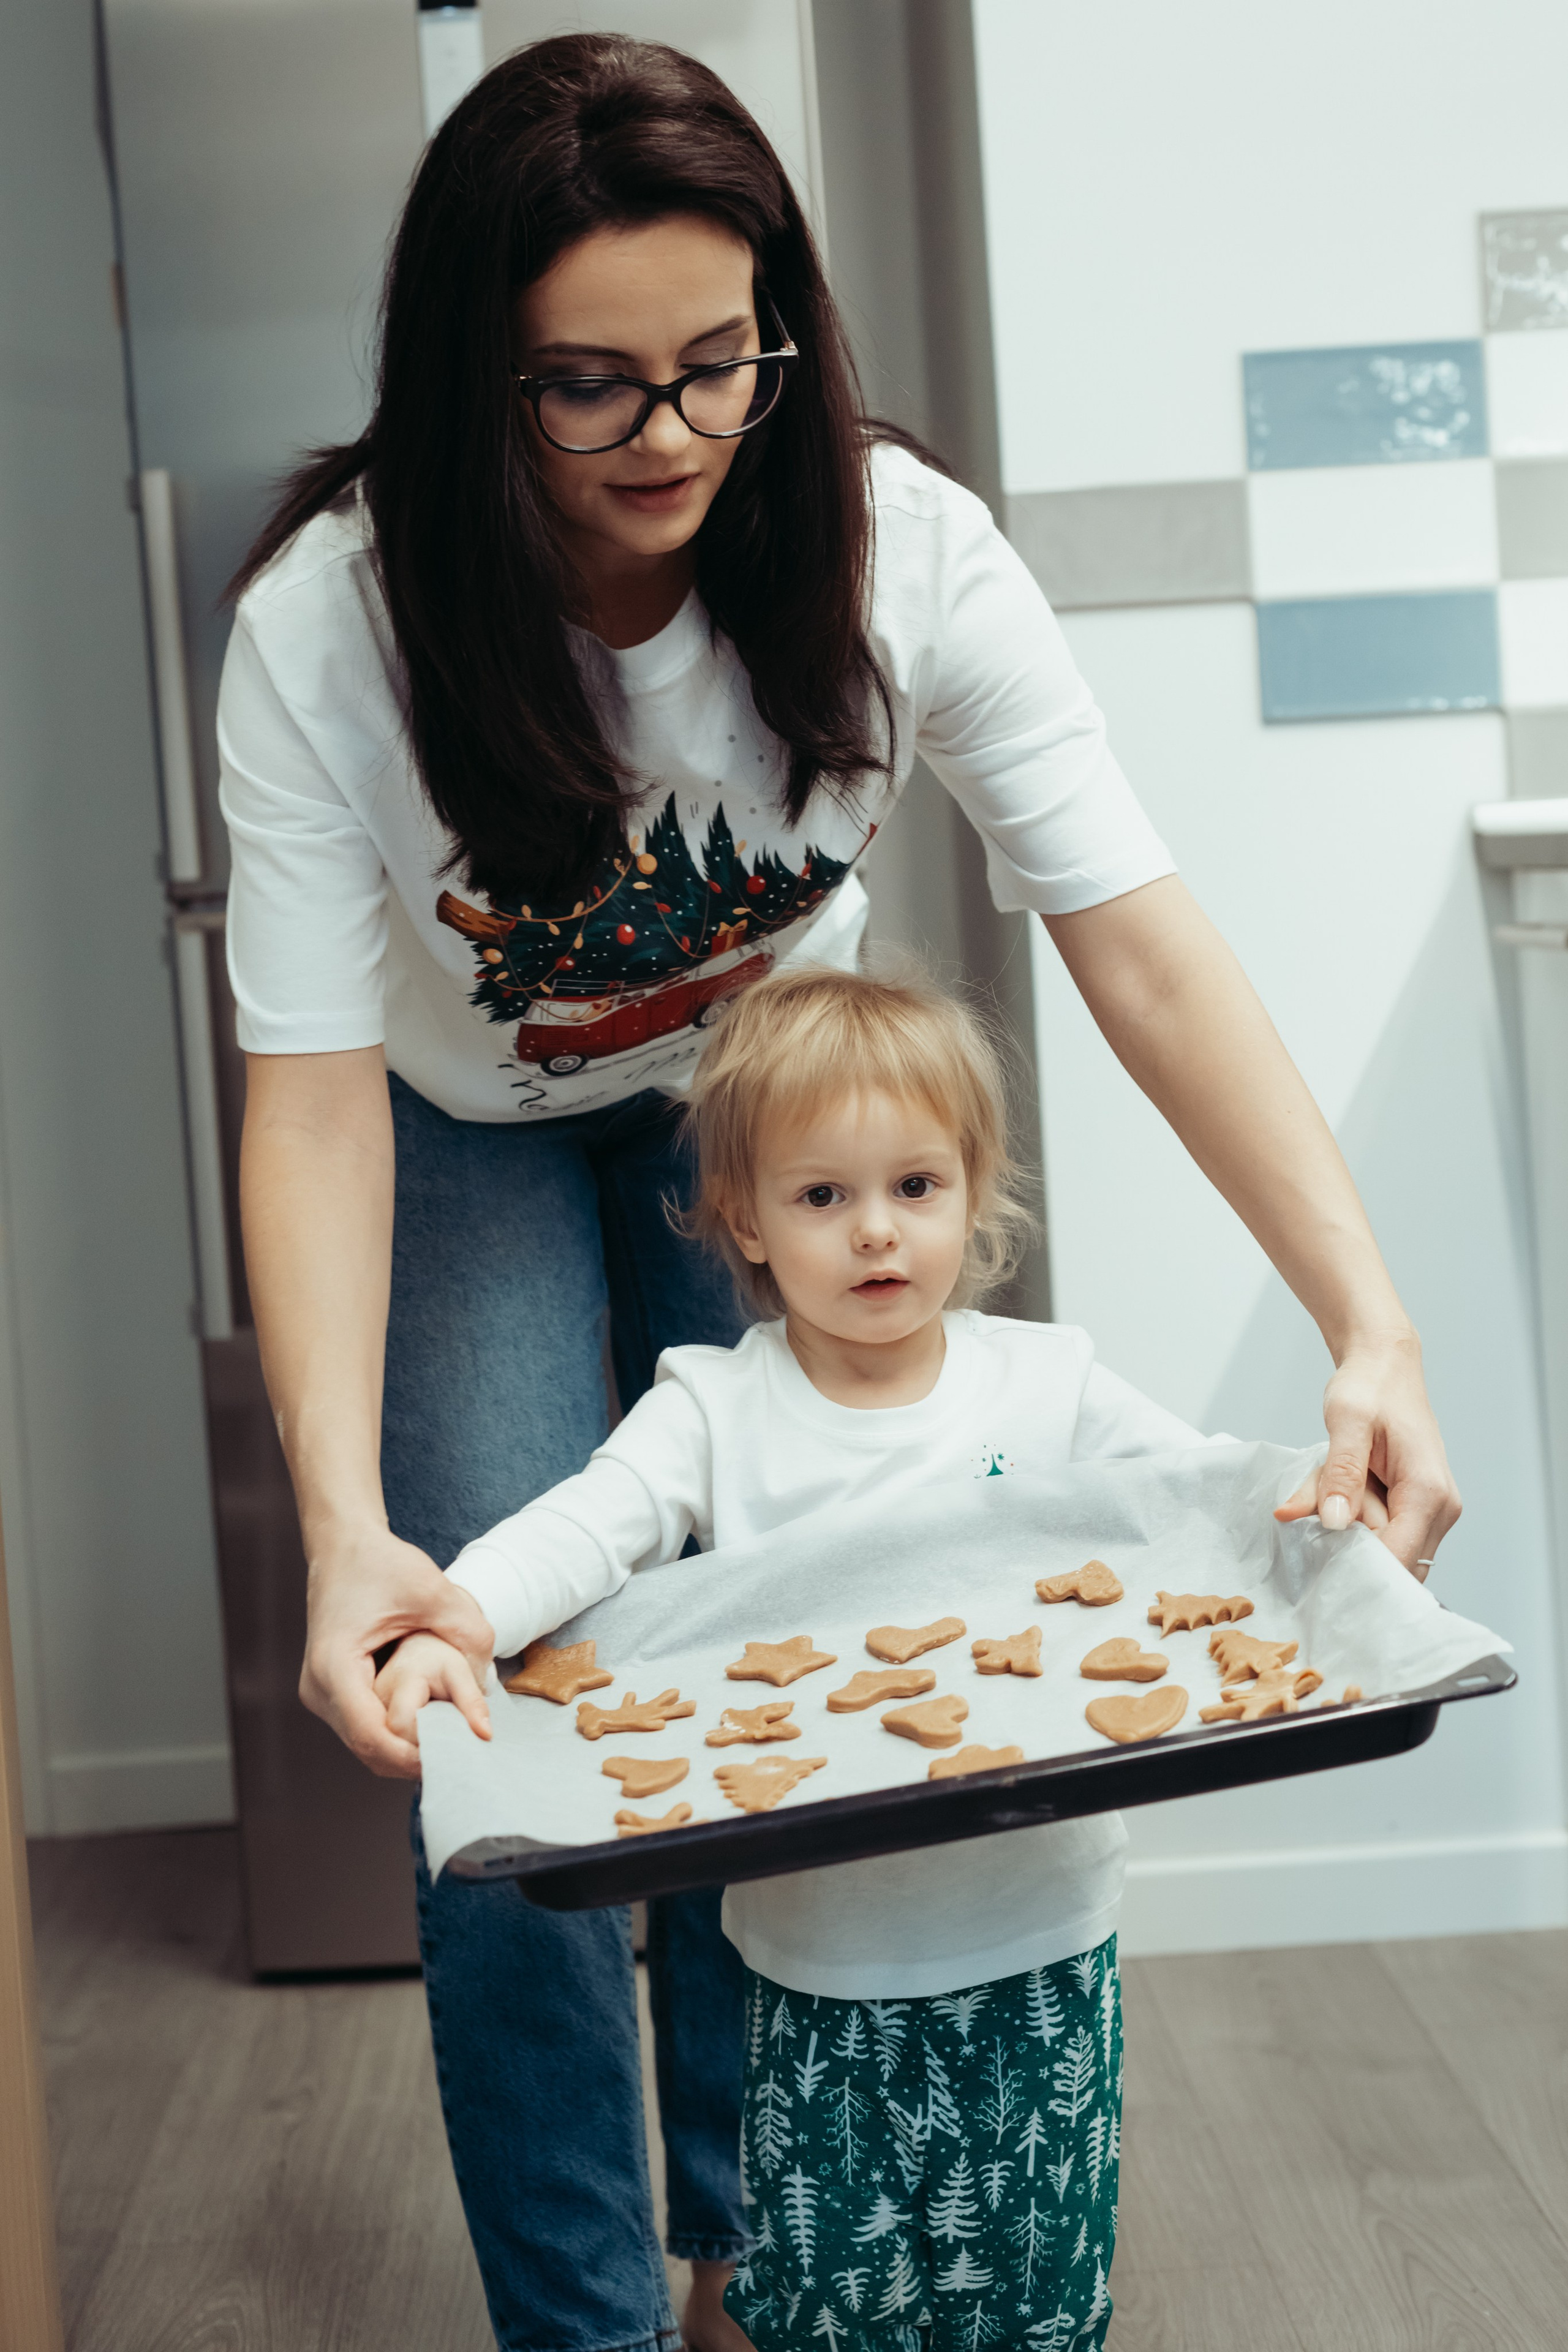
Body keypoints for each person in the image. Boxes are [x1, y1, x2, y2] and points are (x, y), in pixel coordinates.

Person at [219, 30, 1458, 2352]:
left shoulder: (903, 553)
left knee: (771, 1663)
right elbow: (302, 1097)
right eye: (590, 388)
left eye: (720, 368)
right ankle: (586, 2321)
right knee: (498, 1733)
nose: (672, 437)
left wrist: (1365, 1320)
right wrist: (335, 1523)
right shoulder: (327, 625)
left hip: (767, 1125)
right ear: (473, 380)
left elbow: (1147, 951)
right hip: (454, 1138)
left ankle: (748, 2272)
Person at [379, 965, 1232, 2352]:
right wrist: (464, 1608)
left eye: (913, 1186)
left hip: (1040, 1942)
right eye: (822, 1197)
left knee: (1034, 2296)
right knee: (838, 2308)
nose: (875, 1232)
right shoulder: (713, 1407)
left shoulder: (1050, 1383)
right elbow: (586, 1524)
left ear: (974, 1189)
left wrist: (1320, 1506)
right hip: (816, 1973)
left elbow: (1208, 1501)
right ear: (746, 1223)